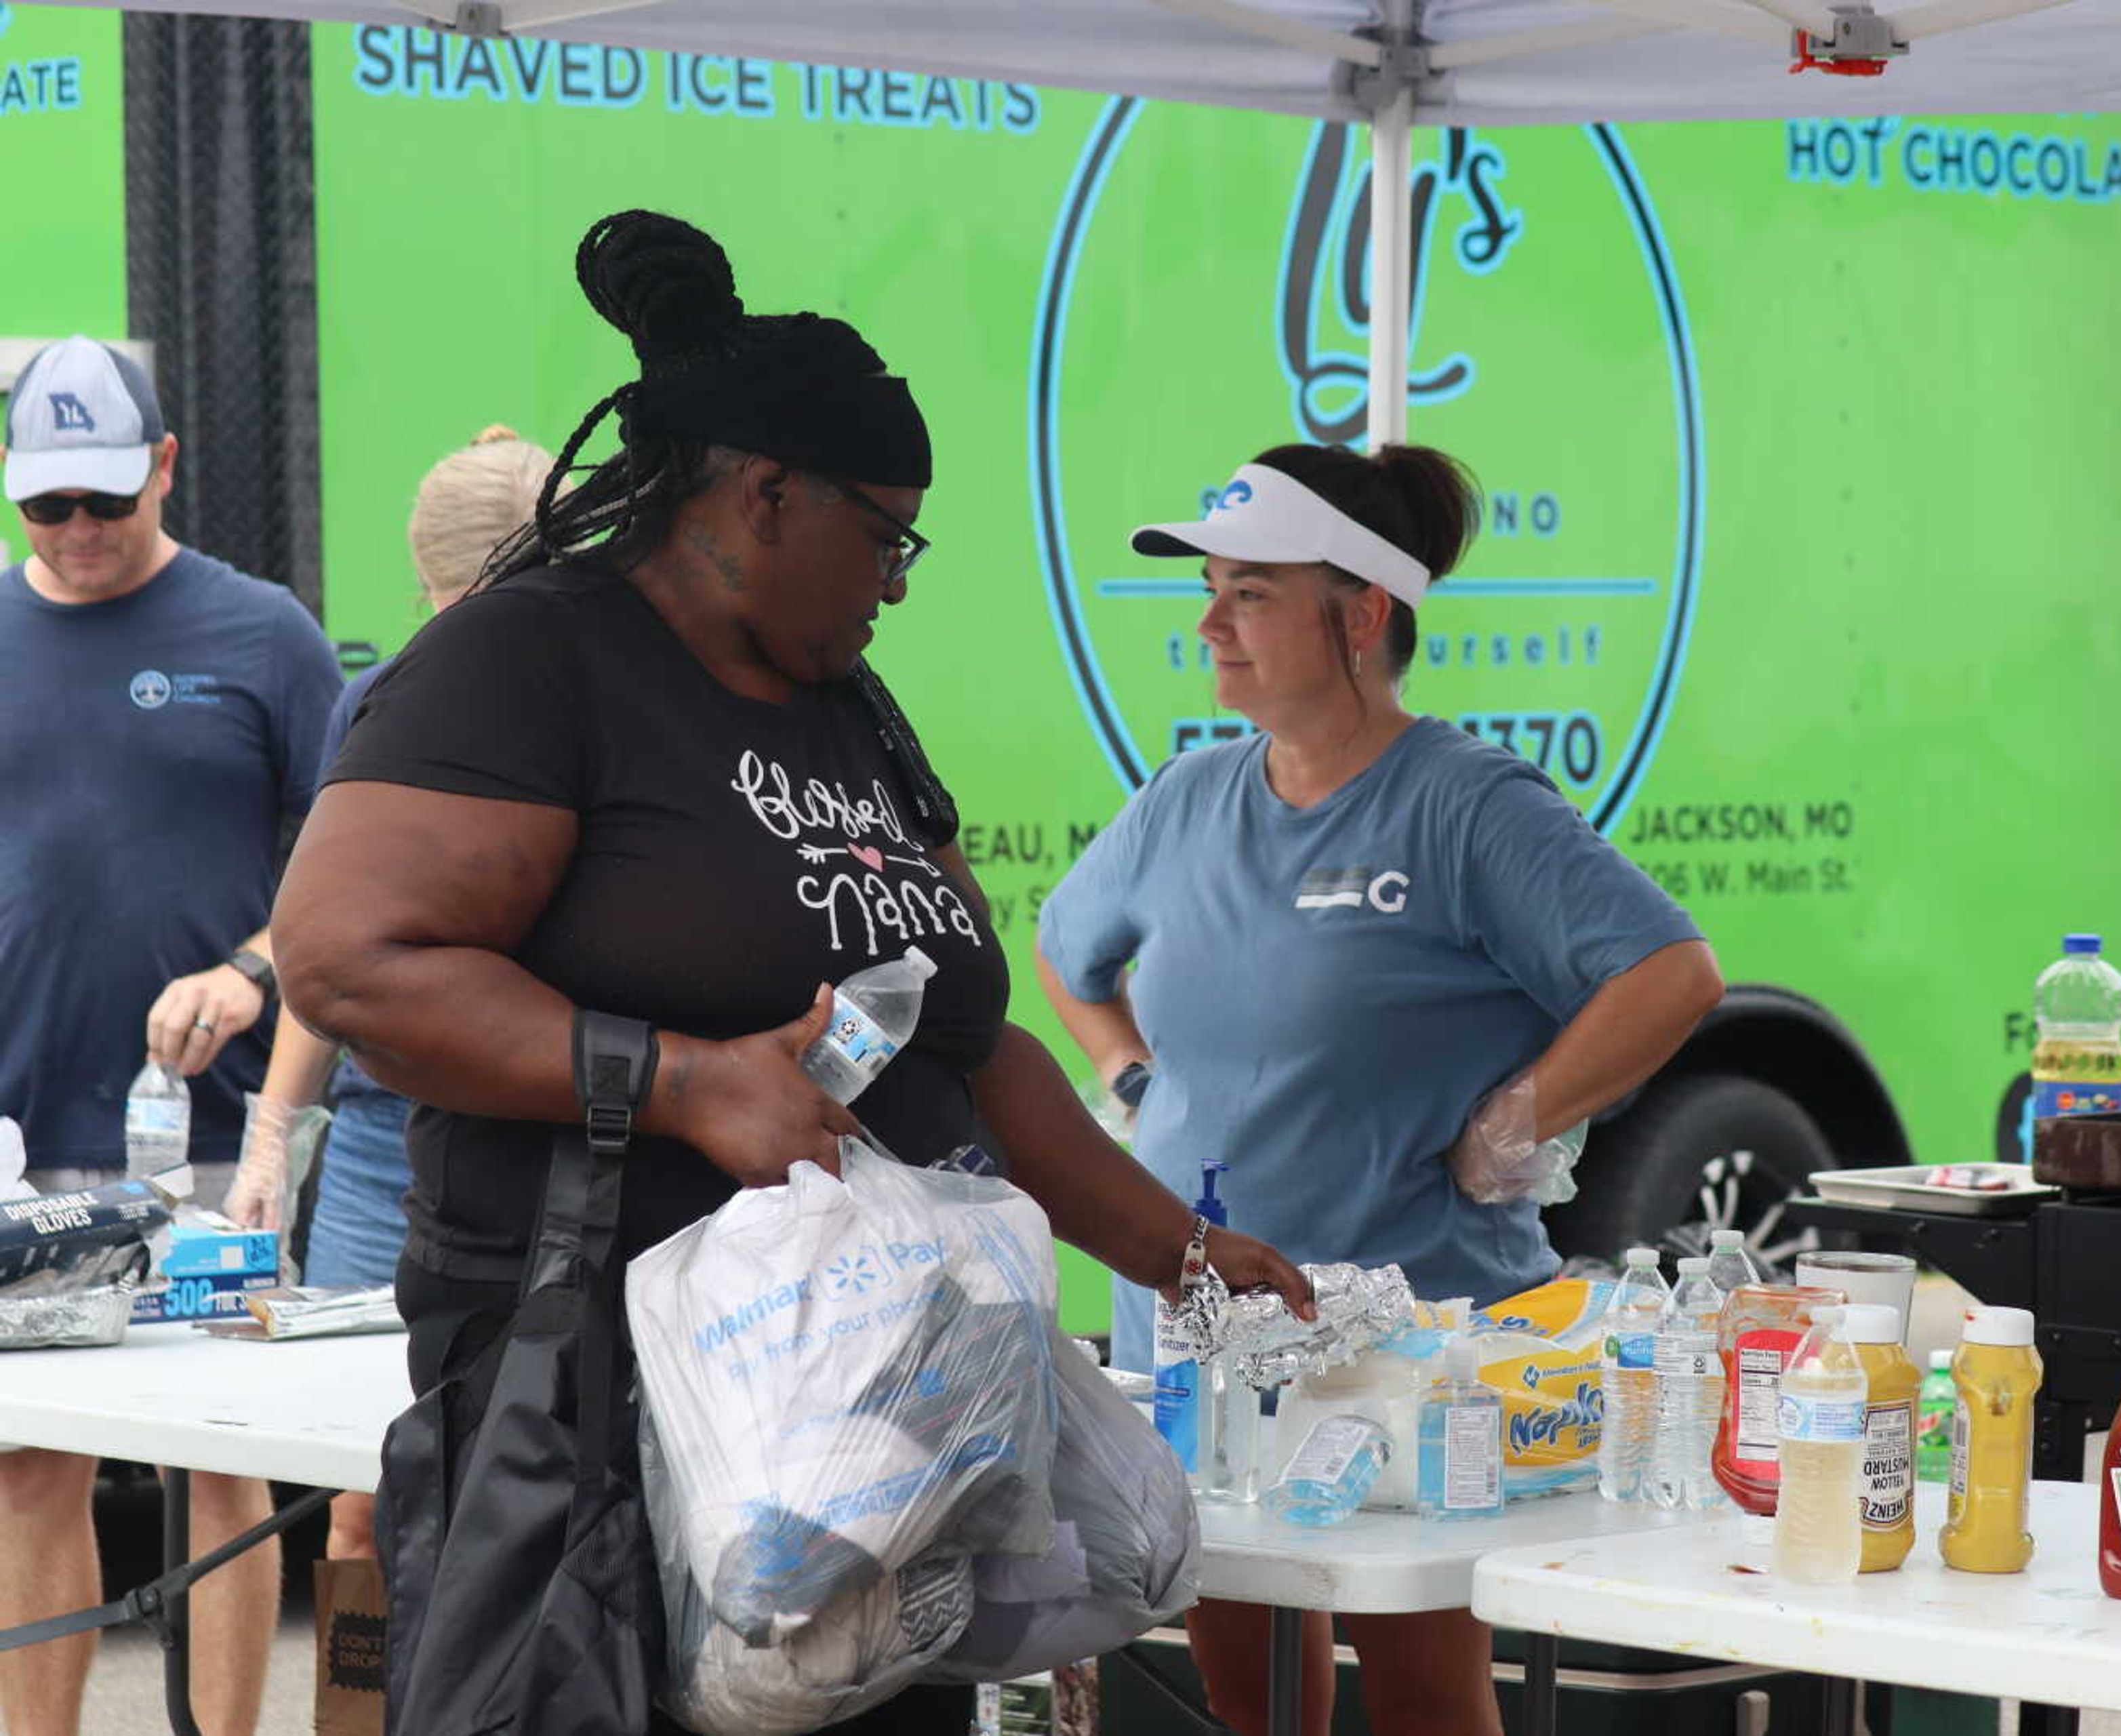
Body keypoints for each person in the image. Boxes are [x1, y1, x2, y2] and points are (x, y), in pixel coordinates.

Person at [268, 209, 1312, 1736]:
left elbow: (971, 1039)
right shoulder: (528, 663)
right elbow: (349, 962)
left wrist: (1177, 1253)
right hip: (611, 1443)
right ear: (765, 495)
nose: (897, 578)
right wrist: (687, 1084)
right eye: (885, 532)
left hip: (887, 1435)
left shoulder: (852, 706)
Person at [1035, 441, 1724, 1736]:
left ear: (1358, 615)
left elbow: (1672, 972)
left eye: (1249, 592)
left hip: (1406, 1370)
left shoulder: (1467, 806)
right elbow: (1067, 952)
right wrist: (1133, 1073)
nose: (1208, 624)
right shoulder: (1186, 799)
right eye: (1211, 589)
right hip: (1196, 1356)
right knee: (1252, 1709)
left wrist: (1514, 1120)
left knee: (1421, 1712)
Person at [0, 334, 344, 1736]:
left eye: (106, 500)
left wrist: (256, 969)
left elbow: (355, 865)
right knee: (29, 1466)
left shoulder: (261, 634)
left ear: (164, 465)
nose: (79, 533)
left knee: (221, 1459)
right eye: (47, 506)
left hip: (212, 1138)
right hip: (23, 1132)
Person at [226, 424, 554, 1563]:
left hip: (562, 1124)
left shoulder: (607, 702)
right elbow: (330, 946)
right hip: (381, 1142)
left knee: (544, 1480)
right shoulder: (375, 702)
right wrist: (273, 1134)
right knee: (364, 1484)